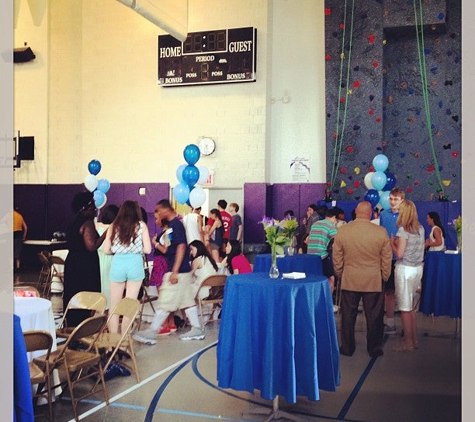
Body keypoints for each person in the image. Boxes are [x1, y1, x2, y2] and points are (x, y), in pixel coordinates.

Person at [132, 199, 206, 344]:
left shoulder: (176, 225)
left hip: (177, 270)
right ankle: (197, 329)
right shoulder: (173, 226)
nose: (158, 215)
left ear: (166, 210)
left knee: (165, 300)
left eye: (159, 212)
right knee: (187, 301)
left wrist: (174, 271)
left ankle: (152, 332)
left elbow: (181, 247)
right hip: (182, 270)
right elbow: (171, 248)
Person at [332, 201, 392, 358]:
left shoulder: (343, 231)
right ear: (371, 213)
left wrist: (340, 274)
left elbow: (337, 257)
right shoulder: (381, 232)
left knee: (348, 315)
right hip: (373, 280)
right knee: (374, 317)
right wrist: (384, 276)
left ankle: (347, 347)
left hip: (350, 278)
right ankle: (374, 348)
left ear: (356, 212)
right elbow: (386, 258)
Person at [103, 200, 152, 335]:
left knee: (114, 306)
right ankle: (124, 341)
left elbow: (106, 250)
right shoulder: (141, 226)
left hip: (118, 263)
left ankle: (113, 343)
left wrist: (120, 250)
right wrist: (134, 249)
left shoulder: (113, 226)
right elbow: (148, 250)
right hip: (135, 264)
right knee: (129, 305)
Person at [64, 191, 107, 327]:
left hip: (72, 263)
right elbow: (91, 246)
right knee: (86, 297)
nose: (95, 208)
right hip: (85, 266)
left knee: (74, 295)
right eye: (92, 205)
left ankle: (72, 328)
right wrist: (105, 235)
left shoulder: (73, 222)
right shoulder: (87, 223)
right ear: (85, 208)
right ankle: (83, 330)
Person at [390, 200, 425, 352]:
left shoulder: (403, 230)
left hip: (405, 269)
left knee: (404, 308)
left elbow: (399, 254)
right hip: (418, 268)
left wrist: (392, 243)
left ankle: (408, 342)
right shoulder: (421, 228)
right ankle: (414, 339)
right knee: (410, 307)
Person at [379, 187, 405, 335]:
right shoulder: (383, 214)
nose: (392, 201)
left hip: (402, 258)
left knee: (403, 292)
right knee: (388, 291)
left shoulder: (406, 215)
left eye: (395, 199)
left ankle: (406, 325)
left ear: (402, 200)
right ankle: (390, 322)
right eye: (391, 199)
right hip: (387, 258)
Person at [306, 208, 338, 293]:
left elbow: (308, 239)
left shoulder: (315, 223)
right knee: (331, 278)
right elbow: (338, 241)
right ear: (334, 218)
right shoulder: (331, 226)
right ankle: (328, 301)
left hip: (310, 256)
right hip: (322, 256)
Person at [95, 204, 119, 309]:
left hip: (98, 261)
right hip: (110, 262)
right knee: (110, 289)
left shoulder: (97, 228)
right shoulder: (114, 230)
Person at [13, 205, 28, 271]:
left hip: (12, 234)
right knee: (17, 252)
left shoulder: (8, 215)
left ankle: (11, 268)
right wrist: (24, 237)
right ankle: (18, 267)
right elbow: (25, 227)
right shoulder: (20, 216)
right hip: (19, 235)